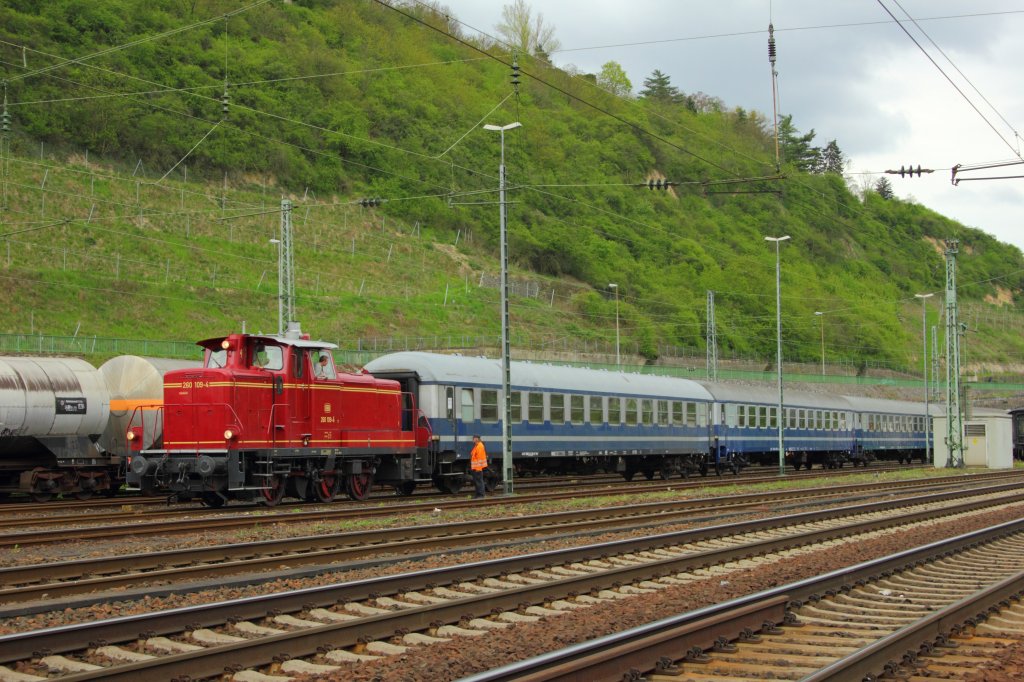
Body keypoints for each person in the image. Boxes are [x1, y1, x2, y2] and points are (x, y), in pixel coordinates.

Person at [470, 435, 487, 499]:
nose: (473, 440)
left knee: (479, 481)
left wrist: (478, 469)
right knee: (476, 482)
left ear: (476, 439)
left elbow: (480, 458)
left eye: (473, 438)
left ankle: (481, 495)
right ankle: (477, 495)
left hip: (478, 468)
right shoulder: (477, 446)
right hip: (475, 468)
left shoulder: (480, 446)